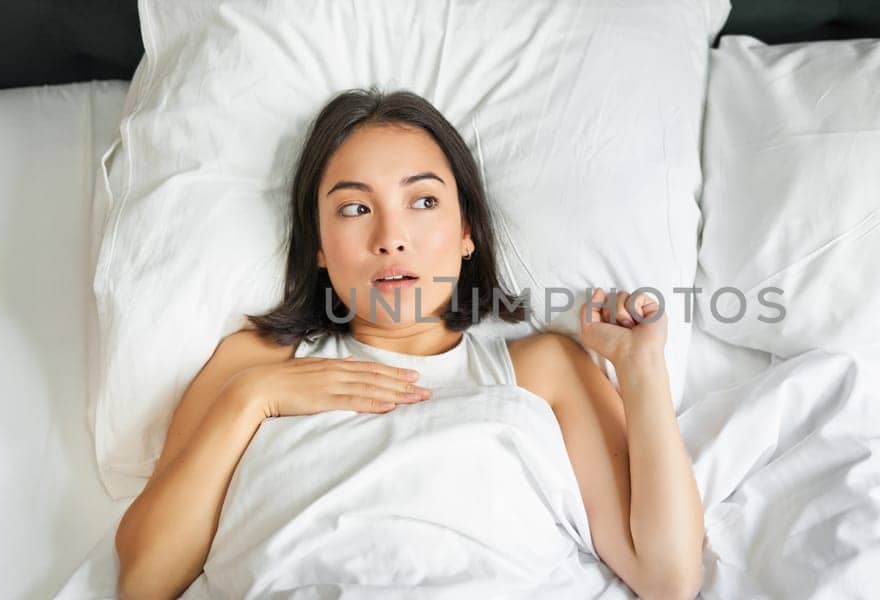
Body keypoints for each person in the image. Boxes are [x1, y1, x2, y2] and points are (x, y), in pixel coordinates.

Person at [113, 88, 704, 600]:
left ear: (467, 230)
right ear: (318, 246)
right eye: (354, 208)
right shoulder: (255, 364)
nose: (391, 238)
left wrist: (640, 366)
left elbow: (667, 578)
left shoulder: (543, 369)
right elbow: (145, 580)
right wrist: (252, 399)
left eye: (422, 201)